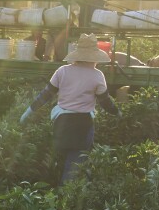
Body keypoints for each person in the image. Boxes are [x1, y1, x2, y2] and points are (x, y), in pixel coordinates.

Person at [19, 34, 121, 184]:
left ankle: (47, 192)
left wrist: (28, 112)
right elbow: (105, 102)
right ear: (95, 58)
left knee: (57, 160)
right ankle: (65, 199)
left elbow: (46, 94)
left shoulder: (63, 71)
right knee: (74, 165)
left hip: (61, 123)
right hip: (83, 126)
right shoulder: (97, 76)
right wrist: (118, 113)